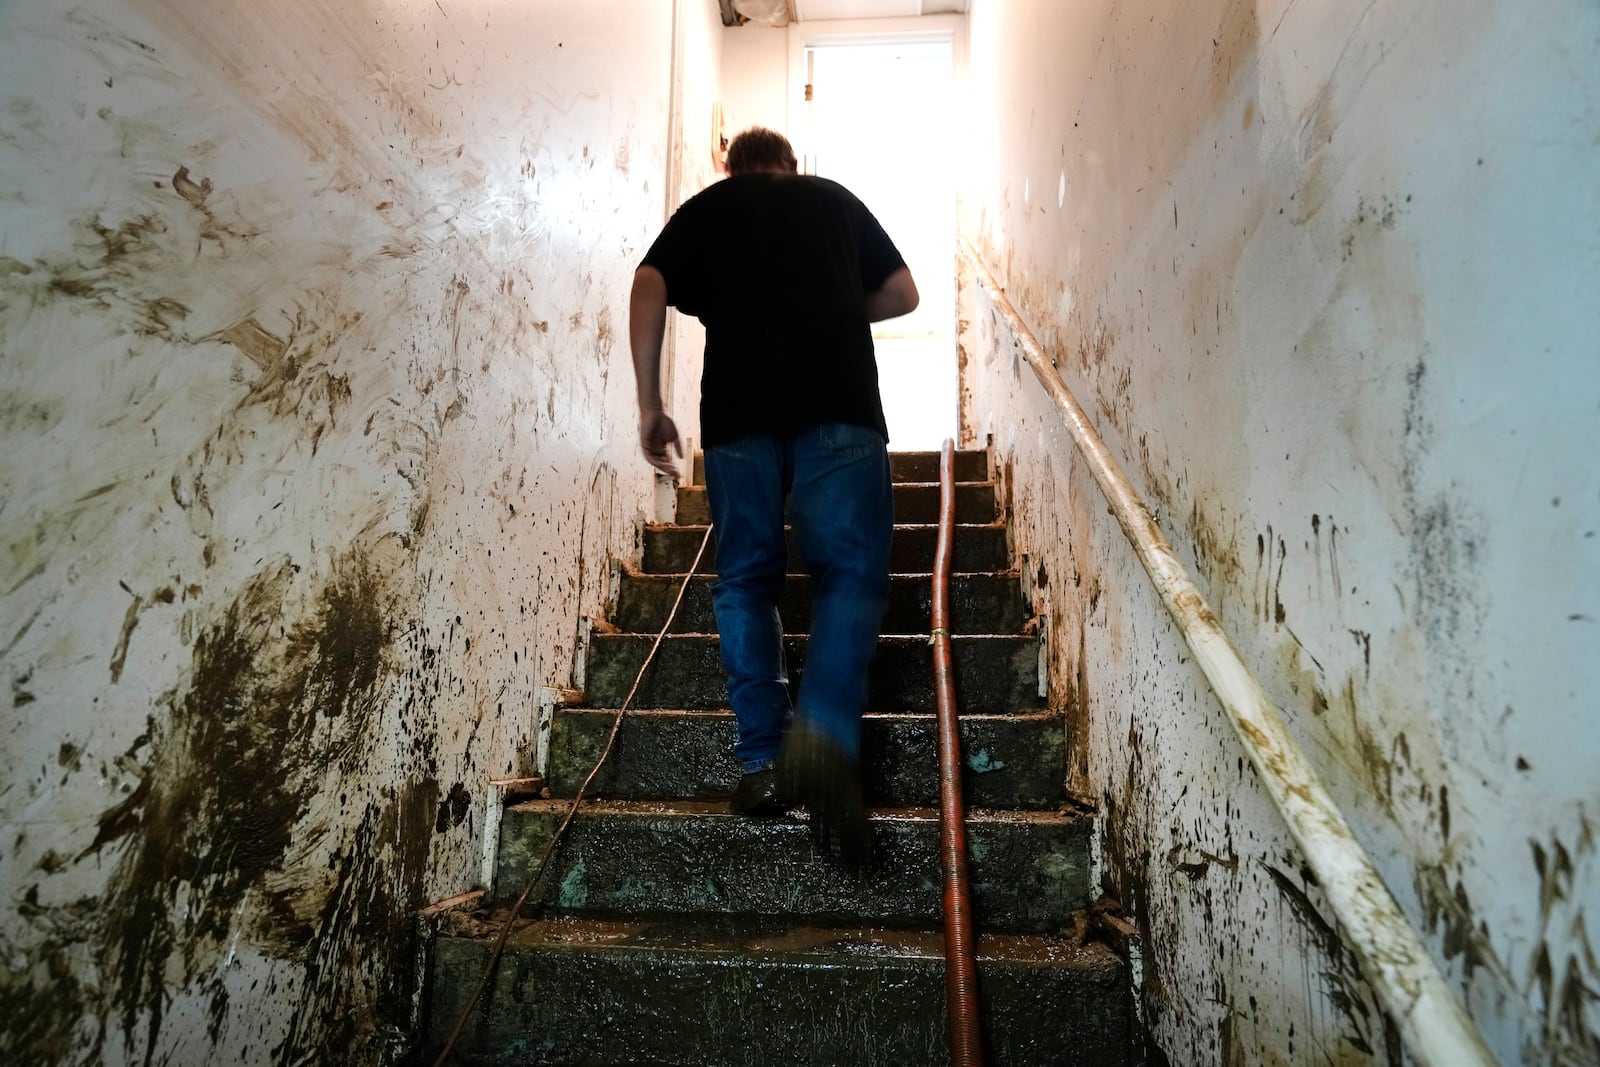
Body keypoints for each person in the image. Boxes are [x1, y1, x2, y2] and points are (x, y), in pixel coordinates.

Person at [628, 127, 919, 870]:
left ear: (734, 167)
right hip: (840, 408)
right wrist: (833, 308)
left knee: (747, 581)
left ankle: (762, 758)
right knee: (850, 574)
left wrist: (649, 403)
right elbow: (902, 293)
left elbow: (649, 282)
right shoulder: (832, 201)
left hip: (738, 420)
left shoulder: (711, 206)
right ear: (791, 163)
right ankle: (821, 733)